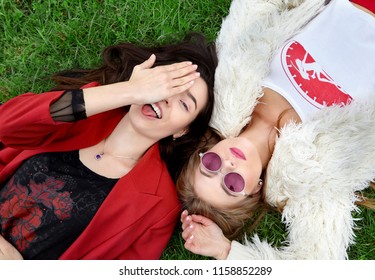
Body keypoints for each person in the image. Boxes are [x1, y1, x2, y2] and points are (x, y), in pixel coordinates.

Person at [177, 0, 375, 259]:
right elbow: (318, 261)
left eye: (210, 165)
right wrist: (227, 252)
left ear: (206, 150)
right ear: (254, 189)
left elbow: (255, 7)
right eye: (232, 184)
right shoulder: (309, 178)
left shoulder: (230, 83)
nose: (228, 165)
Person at [0, 32, 218, 259]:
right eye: (166, 85)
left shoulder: (160, 208)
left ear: (183, 130)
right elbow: (5, 125)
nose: (165, 98)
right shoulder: (86, 108)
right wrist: (128, 91)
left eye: (184, 103)